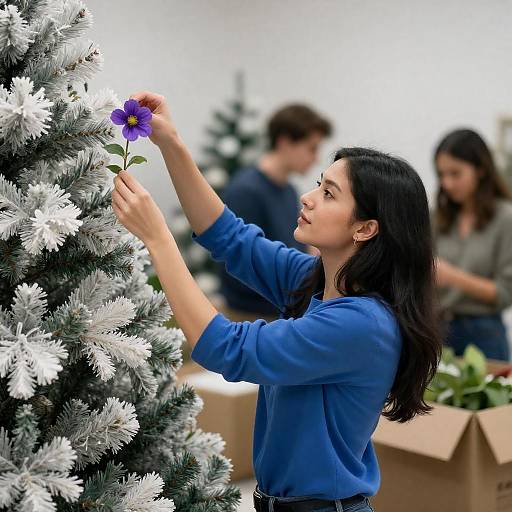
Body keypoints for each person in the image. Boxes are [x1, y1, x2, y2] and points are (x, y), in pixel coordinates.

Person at [111, 90, 442, 512]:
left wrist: (158, 239)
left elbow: (226, 347)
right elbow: (228, 235)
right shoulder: (313, 281)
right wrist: (171, 144)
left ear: (365, 229)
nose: (308, 196)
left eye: (329, 194)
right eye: (319, 184)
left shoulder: (363, 323)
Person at [219, 104, 332, 322]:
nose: (316, 158)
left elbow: (292, 242)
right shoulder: (246, 191)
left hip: (281, 309)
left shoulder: (288, 190)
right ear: (285, 142)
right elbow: (237, 263)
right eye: (312, 148)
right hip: (252, 317)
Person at [433, 128, 512, 361]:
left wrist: (451, 276)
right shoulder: (437, 217)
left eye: (455, 174)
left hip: (484, 337)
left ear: (480, 170)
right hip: (437, 332)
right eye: (441, 174)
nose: (446, 183)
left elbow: (505, 293)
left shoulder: (506, 218)